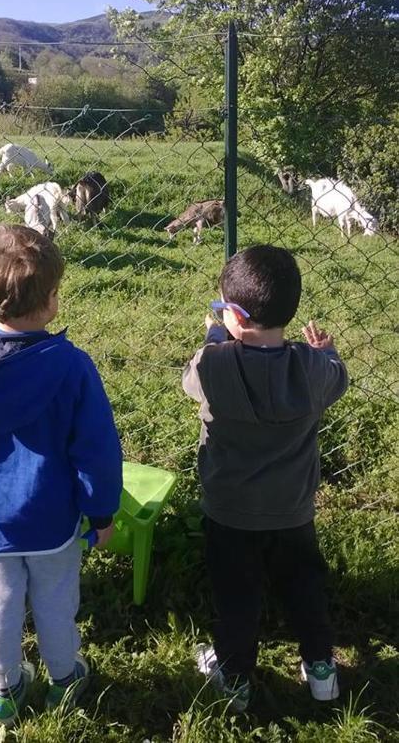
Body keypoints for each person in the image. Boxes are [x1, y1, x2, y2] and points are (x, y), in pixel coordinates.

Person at [0, 225, 122, 727]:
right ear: (52, 299)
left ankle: (5, 687)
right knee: (56, 601)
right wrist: (101, 509)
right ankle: (65, 677)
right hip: (52, 519)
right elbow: (96, 449)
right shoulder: (72, 366)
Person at [182, 244, 348, 712]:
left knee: (236, 593)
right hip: (293, 509)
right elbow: (338, 377)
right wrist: (327, 352)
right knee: (303, 585)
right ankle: (321, 671)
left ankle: (234, 679)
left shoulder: (212, 364)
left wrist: (215, 337)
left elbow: (189, 382)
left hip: (230, 511)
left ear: (233, 315)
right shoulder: (314, 369)